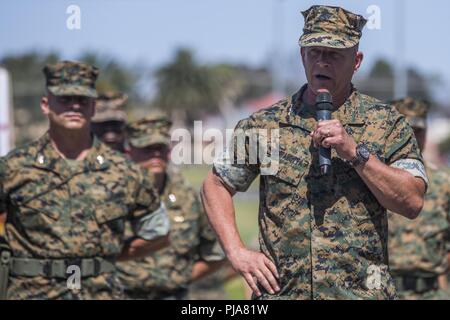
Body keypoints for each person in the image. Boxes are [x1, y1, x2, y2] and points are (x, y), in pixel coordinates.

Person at [201, 5, 427, 300]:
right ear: (302, 56)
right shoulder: (265, 125)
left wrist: (355, 153)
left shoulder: (386, 124)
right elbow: (215, 185)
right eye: (314, 51)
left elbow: (411, 201)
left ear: (356, 61)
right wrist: (237, 252)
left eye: (334, 54)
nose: (322, 62)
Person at [0, 61, 170, 300]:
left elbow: (159, 233)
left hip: (99, 293)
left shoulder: (124, 171)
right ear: (45, 104)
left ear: (93, 107)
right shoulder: (13, 167)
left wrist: (107, 258)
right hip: (33, 293)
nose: (75, 106)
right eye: (65, 98)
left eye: (82, 99)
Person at [116, 112, 226, 300]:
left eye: (160, 148)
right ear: (129, 151)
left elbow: (216, 254)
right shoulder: (113, 194)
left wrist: (178, 279)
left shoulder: (187, 197)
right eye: (147, 148)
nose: (155, 154)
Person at [388, 97, 450, 299]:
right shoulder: (375, 180)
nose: (412, 138)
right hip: (385, 290)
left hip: (431, 292)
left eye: (418, 131)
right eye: (406, 130)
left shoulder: (444, 184)